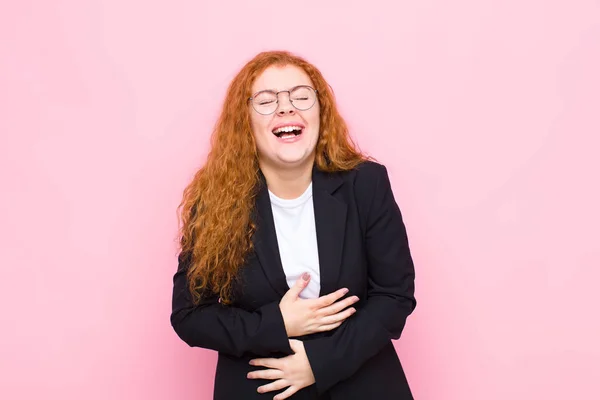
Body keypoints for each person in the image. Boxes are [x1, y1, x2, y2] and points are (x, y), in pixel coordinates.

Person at [170, 50, 417, 400]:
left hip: (363, 382)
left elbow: (394, 296)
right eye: (267, 101)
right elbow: (190, 316)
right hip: (260, 387)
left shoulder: (366, 184)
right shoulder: (214, 201)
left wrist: (319, 362)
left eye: (301, 96)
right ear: (245, 121)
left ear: (320, 112)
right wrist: (277, 324)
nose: (286, 108)